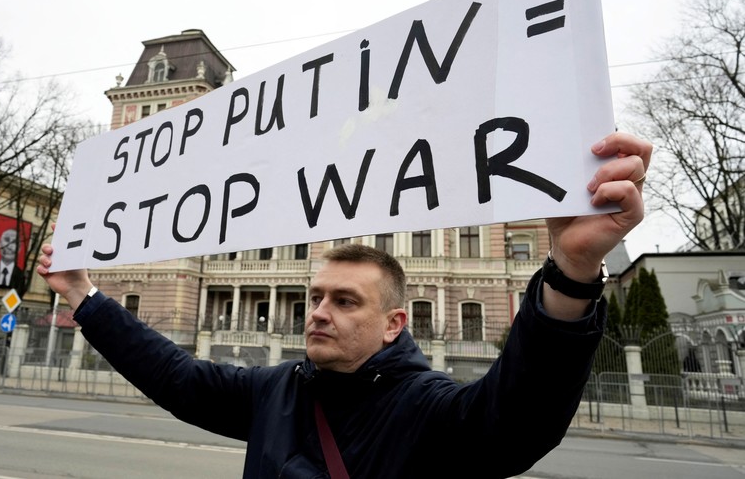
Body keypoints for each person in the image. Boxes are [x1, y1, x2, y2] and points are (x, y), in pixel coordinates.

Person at [37, 132, 651, 478]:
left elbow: (516, 423)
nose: (319, 312)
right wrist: (83, 295)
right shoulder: (275, 391)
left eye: (344, 300)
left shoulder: (427, 409)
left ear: (394, 324)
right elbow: (174, 375)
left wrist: (571, 272)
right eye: (316, 296)